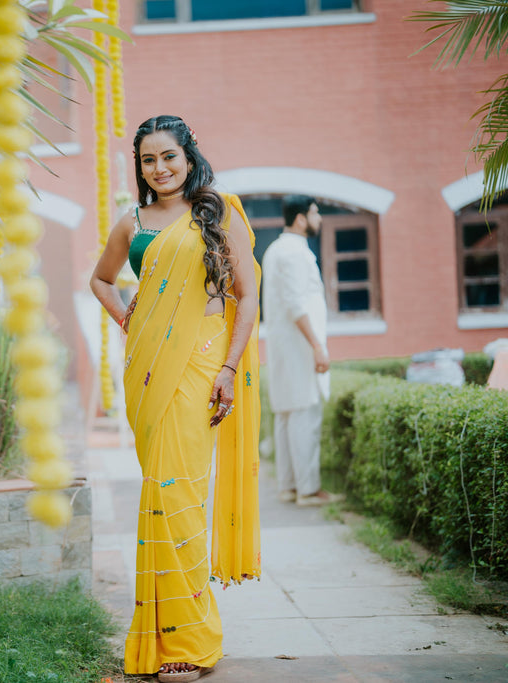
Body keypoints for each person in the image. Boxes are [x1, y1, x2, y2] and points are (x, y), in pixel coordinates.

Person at [90, 115, 261, 682]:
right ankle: (160, 637)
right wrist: (126, 316)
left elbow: (246, 294)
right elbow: (102, 279)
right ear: (138, 167)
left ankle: (190, 638)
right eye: (147, 160)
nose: (159, 168)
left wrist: (230, 368)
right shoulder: (132, 222)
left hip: (202, 362)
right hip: (146, 368)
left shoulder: (217, 211)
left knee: (180, 490)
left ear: (188, 157)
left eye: (169, 156)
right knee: (157, 489)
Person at [261, 195, 341, 507]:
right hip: (299, 346)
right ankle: (308, 490)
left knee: (285, 414)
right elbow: (296, 304)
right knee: (305, 413)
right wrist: (318, 346)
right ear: (301, 219)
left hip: (285, 347)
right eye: (315, 213)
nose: (319, 219)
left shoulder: (276, 250)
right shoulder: (294, 253)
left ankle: (289, 487)